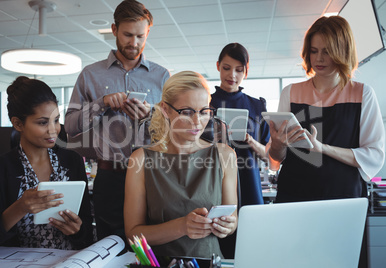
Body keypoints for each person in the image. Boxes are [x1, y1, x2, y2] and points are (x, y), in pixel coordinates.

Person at [64, 0, 170, 242]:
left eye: (140, 36)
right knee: (109, 245)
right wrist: (100, 104)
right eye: (127, 35)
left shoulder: (162, 76)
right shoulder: (90, 75)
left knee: (150, 245)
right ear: (114, 30)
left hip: (151, 176)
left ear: (148, 33)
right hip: (109, 177)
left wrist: (150, 116)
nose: (134, 43)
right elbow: (69, 127)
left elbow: (175, 131)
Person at [266, 16, 385, 203]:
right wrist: (277, 145)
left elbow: (374, 156)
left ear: (343, 51)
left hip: (344, 197)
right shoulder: (291, 92)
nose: (319, 58)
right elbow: (276, 158)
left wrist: (323, 149)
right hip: (294, 195)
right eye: (313, 51)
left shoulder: (362, 94)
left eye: (327, 52)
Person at [124, 71, 238, 259]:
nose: (197, 122)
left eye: (203, 112)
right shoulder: (141, 159)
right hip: (160, 262)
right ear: (165, 110)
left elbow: (232, 220)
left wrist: (228, 226)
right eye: (186, 112)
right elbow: (133, 235)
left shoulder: (225, 155)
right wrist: (181, 227)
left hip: (209, 261)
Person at [0, 76, 93, 253]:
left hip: (67, 261)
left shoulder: (71, 161)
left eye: (56, 120)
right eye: (43, 122)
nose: (53, 130)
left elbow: (86, 233)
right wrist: (20, 207)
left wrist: (78, 231)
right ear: (18, 124)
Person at [211, 43, 271, 206]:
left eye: (239, 70)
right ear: (218, 66)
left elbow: (270, 157)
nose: (232, 75)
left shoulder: (257, 107)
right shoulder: (205, 104)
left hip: (248, 181)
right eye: (226, 68)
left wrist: (250, 141)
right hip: (212, 180)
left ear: (246, 71)